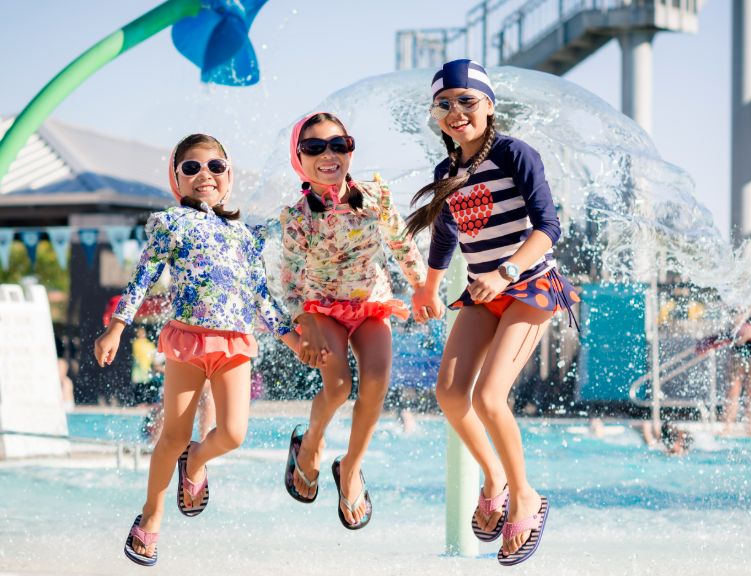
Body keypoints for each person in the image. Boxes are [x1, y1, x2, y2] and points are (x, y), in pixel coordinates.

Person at [94, 133, 300, 566]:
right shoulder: (171, 222)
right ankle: (152, 513)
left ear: (228, 177)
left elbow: (261, 297)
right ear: (178, 180)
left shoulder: (245, 236)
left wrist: (293, 339)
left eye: (215, 167)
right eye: (191, 168)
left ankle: (196, 463)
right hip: (187, 339)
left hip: (235, 343)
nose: (204, 174)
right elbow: (143, 277)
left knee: (233, 434)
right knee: (172, 435)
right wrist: (116, 327)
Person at [408, 60, 580, 566]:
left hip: (529, 288)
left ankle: (525, 496)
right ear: (435, 114)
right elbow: (445, 234)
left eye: (467, 100)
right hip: (485, 294)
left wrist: (505, 272)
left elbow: (549, 226)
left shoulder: (516, 154)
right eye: (445, 104)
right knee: (449, 393)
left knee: (488, 395)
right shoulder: (448, 173)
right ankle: (494, 477)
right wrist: (430, 288)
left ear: (489, 105)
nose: (456, 111)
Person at [281, 112, 427, 529]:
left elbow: (400, 240)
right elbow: (289, 283)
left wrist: (420, 287)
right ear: (300, 158)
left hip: (370, 303)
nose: (328, 154)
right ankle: (309, 446)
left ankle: (350, 469)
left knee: (378, 380)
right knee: (340, 386)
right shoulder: (297, 218)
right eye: (314, 147)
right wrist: (304, 325)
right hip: (323, 307)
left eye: (338, 144)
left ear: (349, 150)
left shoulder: (374, 195)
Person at [723, 284, 751, 436]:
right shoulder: (739, 292)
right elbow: (733, 322)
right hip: (740, 346)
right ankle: (728, 426)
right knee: (733, 387)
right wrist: (744, 329)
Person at [131, 326, 157, 406]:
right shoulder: (136, 343)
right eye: (139, 332)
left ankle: (147, 403)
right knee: (139, 386)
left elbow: (153, 356)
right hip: (139, 368)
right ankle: (139, 403)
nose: (141, 334)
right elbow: (137, 354)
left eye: (142, 332)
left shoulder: (149, 344)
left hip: (147, 368)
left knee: (148, 385)